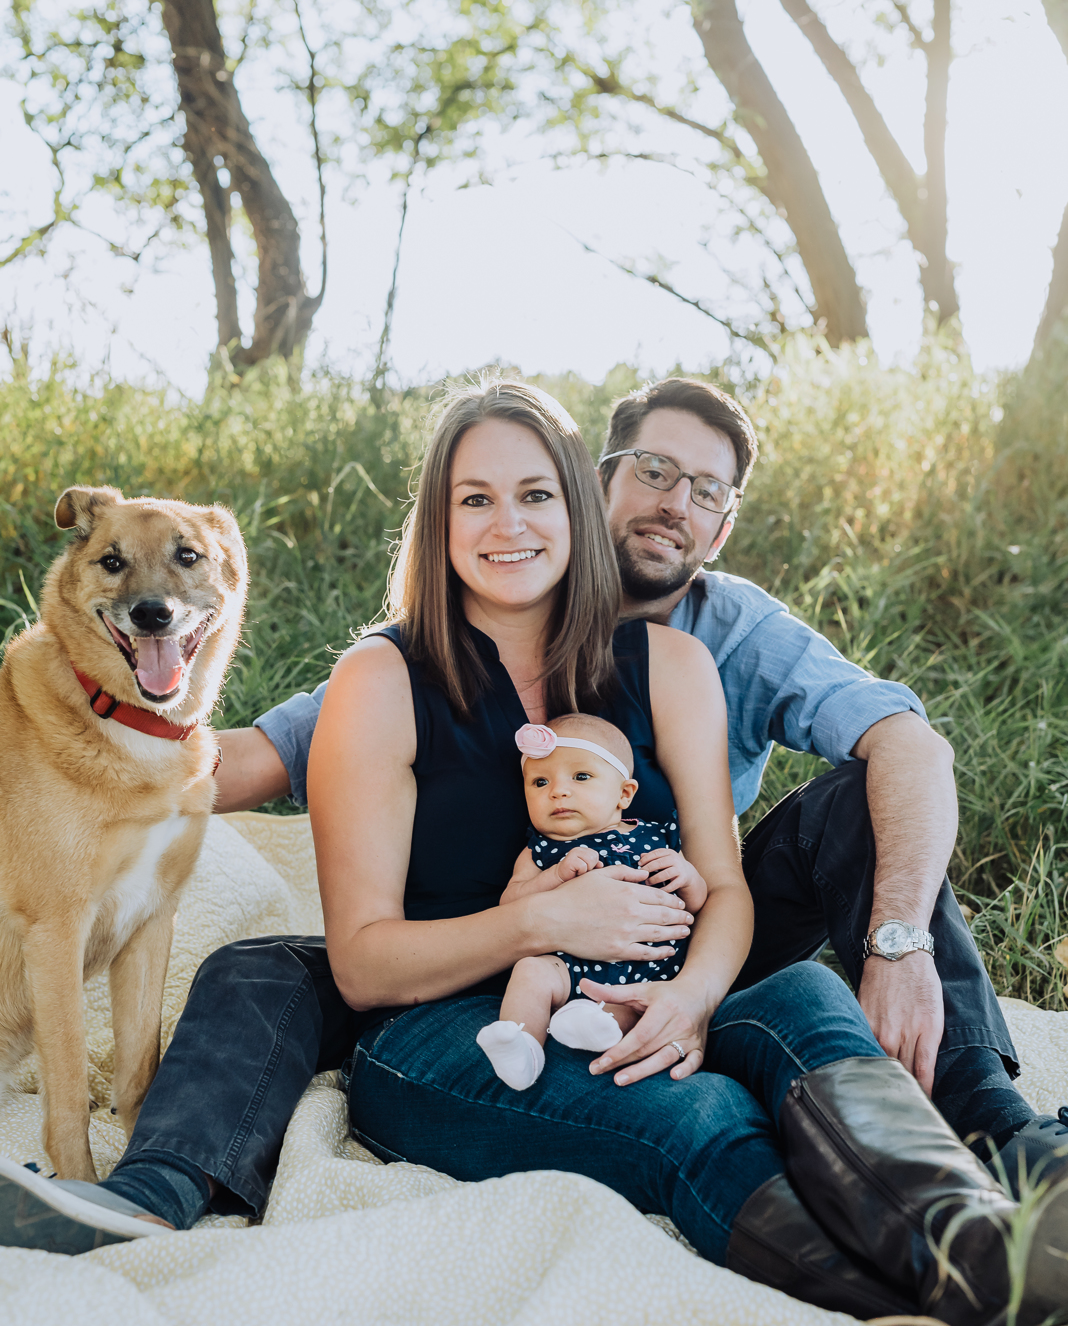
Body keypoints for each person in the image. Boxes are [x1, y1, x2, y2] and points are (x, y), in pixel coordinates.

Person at [3, 379, 1064, 1326]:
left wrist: (696, 998)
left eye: (533, 496)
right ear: (441, 519)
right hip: (446, 1020)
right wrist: (543, 924)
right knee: (693, 1117)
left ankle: (1017, 1276)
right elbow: (348, 940)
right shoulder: (382, 675)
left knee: (802, 994)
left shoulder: (686, 653)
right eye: (474, 500)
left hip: (662, 975)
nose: (508, 525)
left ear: (575, 512)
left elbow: (731, 877)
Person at [210, 376, 1066, 1185]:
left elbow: (910, 746)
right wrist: (100, 748)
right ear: (596, 480)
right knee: (271, 970)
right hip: (526, 930)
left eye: (706, 492)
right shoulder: (471, 612)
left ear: (723, 527)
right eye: (655, 471)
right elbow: (266, 754)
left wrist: (898, 944)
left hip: (687, 911)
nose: (674, 505)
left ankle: (997, 1128)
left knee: (853, 803)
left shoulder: (721, 635)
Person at [475, 714, 707, 1090]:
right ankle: (521, 1045)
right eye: (540, 782)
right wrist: (555, 876)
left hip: (645, 972)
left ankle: (592, 1025)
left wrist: (688, 876)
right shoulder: (542, 851)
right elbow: (511, 903)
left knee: (633, 1009)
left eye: (580, 777)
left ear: (624, 794)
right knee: (530, 973)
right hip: (566, 969)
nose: (558, 792)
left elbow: (693, 905)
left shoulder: (655, 838)